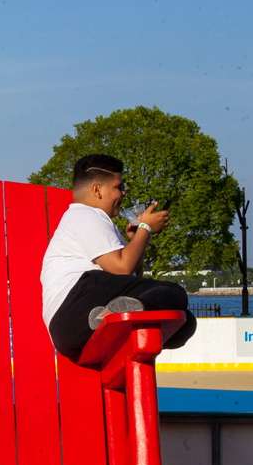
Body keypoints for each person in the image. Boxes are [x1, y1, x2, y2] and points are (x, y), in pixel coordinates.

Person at [41, 154, 196, 360]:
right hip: (74, 310)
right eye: (119, 187)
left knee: (187, 321)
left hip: (73, 332)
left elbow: (132, 277)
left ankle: (109, 315)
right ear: (97, 189)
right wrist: (146, 227)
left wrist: (134, 240)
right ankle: (110, 315)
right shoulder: (86, 214)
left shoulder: (88, 219)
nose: (123, 193)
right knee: (175, 293)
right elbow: (121, 268)